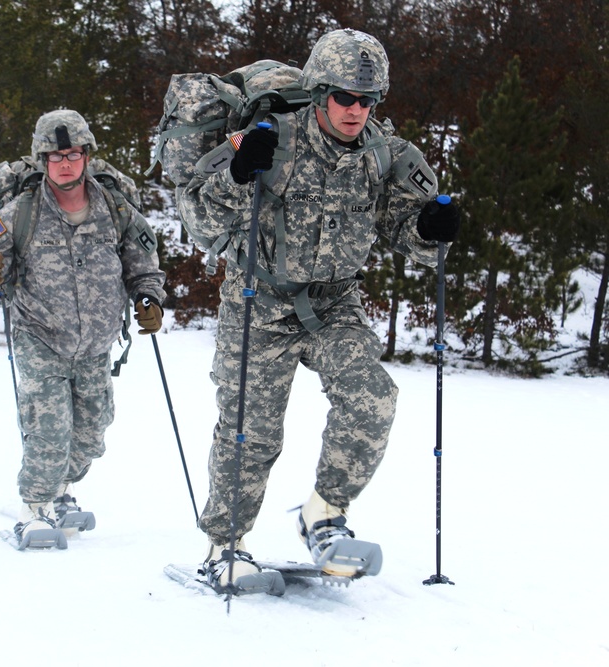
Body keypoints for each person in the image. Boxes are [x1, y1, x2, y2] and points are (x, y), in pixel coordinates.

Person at [178, 29, 461, 585]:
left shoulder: (384, 155)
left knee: (372, 399)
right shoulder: (269, 140)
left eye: (368, 100)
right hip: (258, 302)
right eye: (344, 98)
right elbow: (199, 217)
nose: (356, 110)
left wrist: (431, 231)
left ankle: (325, 514)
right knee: (249, 431)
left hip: (335, 304)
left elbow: (411, 235)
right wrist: (238, 176)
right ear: (319, 92)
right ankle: (225, 545)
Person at [0, 109, 167, 545]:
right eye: (55, 157)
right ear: (42, 161)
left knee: (91, 434)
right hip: (40, 336)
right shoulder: (18, 213)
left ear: (87, 155)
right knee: (50, 431)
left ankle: (60, 491)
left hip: (96, 344)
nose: (65, 163)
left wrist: (148, 297)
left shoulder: (115, 208)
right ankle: (33, 508)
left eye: (73, 154)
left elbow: (142, 264)